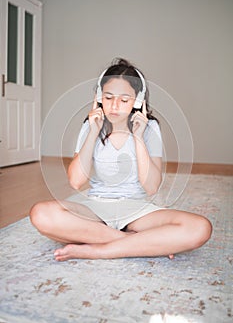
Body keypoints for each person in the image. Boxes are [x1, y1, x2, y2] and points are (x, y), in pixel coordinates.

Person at [30, 58, 212, 261]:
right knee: (41, 214)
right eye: (108, 98)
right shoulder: (90, 125)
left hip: (137, 209)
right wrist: (93, 132)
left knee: (200, 228)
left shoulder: (149, 128)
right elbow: (76, 181)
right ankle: (139, 243)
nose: (114, 106)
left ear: (137, 100)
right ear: (99, 98)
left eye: (124, 100)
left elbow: (151, 187)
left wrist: (138, 137)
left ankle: (98, 249)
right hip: (95, 206)